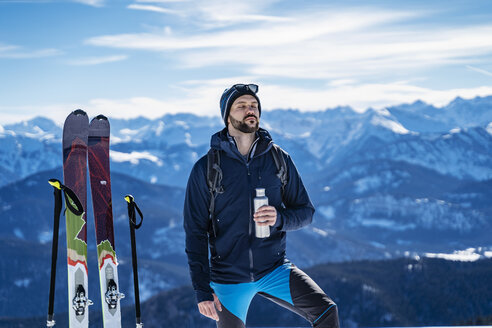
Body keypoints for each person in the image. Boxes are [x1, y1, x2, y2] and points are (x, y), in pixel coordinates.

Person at [183, 83, 339, 328]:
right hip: (228, 279)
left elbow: (306, 212)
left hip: (274, 270)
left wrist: (279, 218)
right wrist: (201, 290)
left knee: (326, 312)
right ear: (227, 116)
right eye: (242, 106)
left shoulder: (279, 159)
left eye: (254, 105)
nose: (250, 110)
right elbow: (195, 232)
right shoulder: (206, 168)